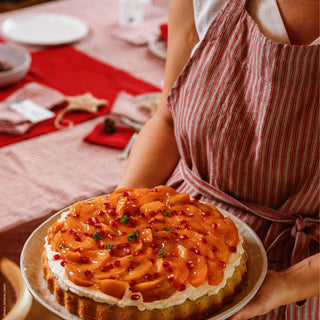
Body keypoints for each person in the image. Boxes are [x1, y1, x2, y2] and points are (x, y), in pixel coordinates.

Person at [118, 0, 320, 318]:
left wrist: (288, 284)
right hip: (170, 250)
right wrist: (120, 207)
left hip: (302, 286)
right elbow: (168, 120)